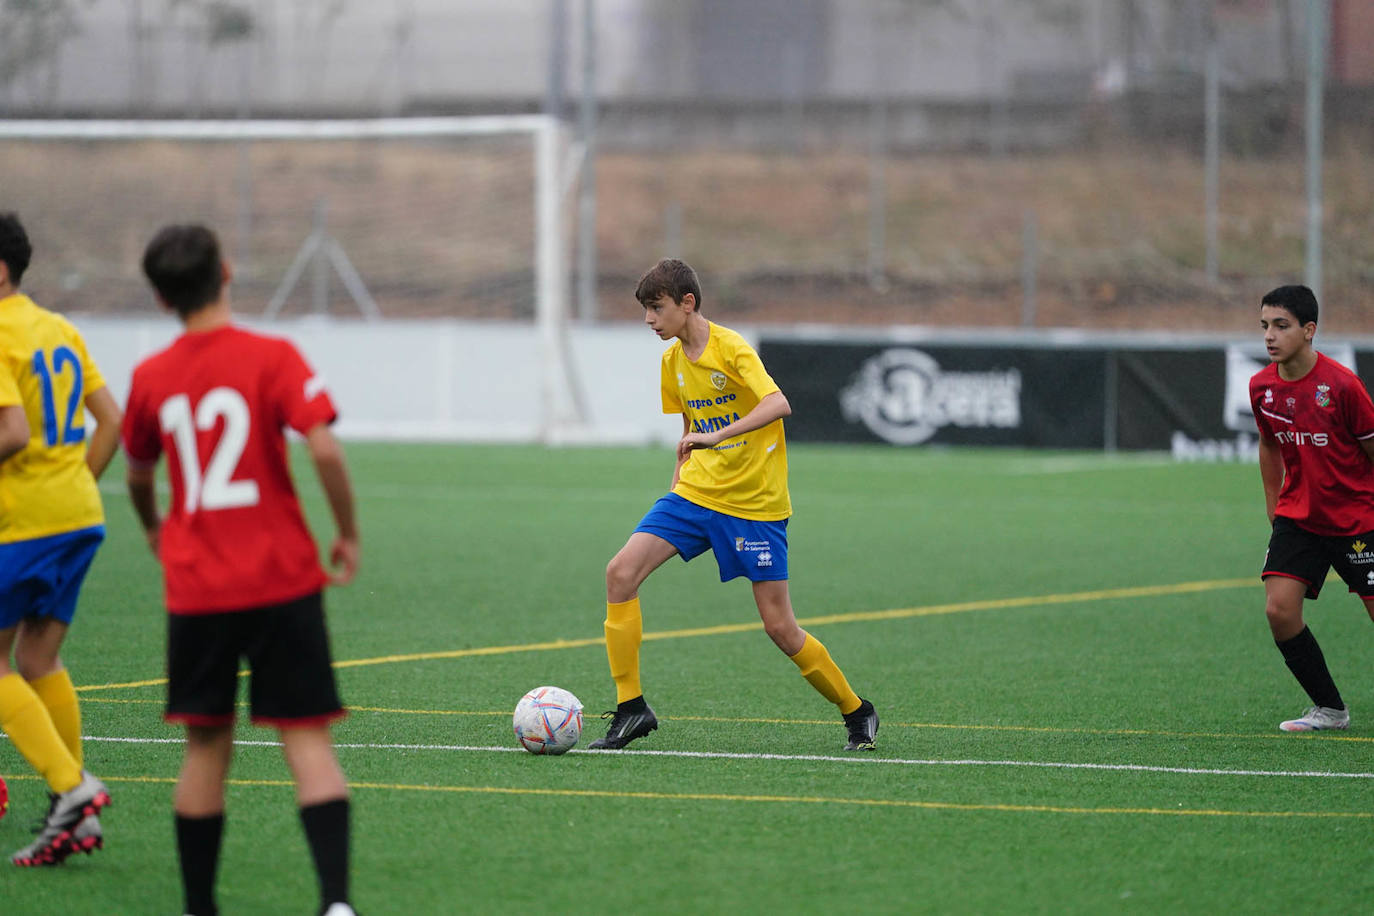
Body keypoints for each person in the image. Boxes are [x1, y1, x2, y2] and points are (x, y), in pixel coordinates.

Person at [122, 224, 361, 916]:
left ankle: (201, 907)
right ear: (226, 271)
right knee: (307, 739)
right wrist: (345, 532)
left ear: (163, 299)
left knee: (205, 747)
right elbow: (324, 450)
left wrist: (151, 525)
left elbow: (138, 471)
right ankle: (335, 904)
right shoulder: (271, 356)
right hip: (281, 578)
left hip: (198, 586)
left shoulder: (150, 376)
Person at [591, 258, 878, 751]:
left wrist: (716, 435)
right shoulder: (671, 362)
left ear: (688, 303)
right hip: (694, 497)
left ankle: (857, 710)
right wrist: (679, 476)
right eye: (645, 311)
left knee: (780, 628)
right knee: (620, 573)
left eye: (657, 308)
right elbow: (687, 429)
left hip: (755, 506)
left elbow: (777, 404)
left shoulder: (732, 348)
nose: (649, 320)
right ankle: (631, 708)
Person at [0, 212, 118, 866]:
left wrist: (41, 488)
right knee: (41, 660)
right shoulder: (58, 327)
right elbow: (111, 420)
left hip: (25, 521)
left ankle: (72, 788)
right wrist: (75, 483)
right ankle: (75, 819)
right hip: (78, 514)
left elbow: (12, 433)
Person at [1251, 284, 1374, 733]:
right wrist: (1273, 503)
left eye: (1281, 326)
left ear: (1309, 330)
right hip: (1298, 518)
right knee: (1279, 612)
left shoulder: (1342, 386)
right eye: (1264, 325)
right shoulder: (1261, 387)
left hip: (1358, 519)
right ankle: (1330, 709)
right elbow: (1268, 445)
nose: (1270, 335)